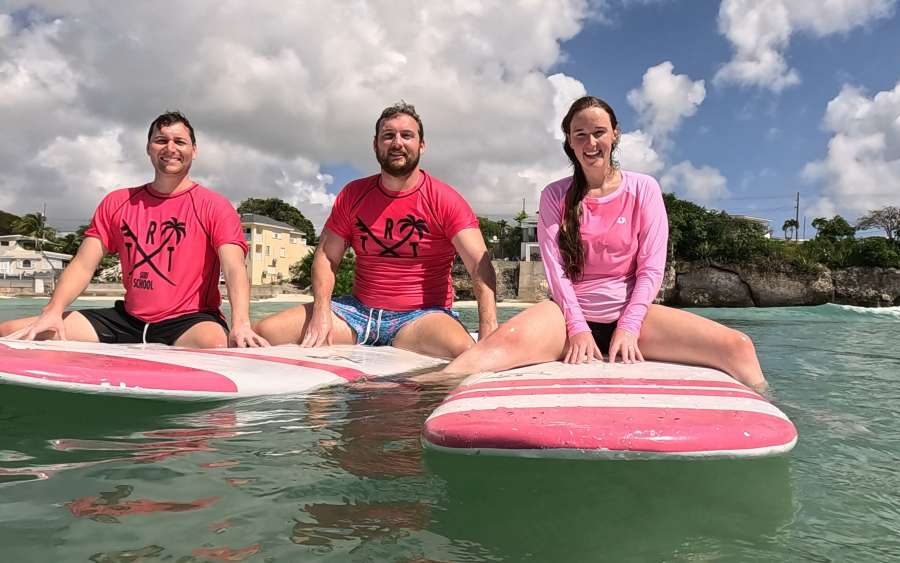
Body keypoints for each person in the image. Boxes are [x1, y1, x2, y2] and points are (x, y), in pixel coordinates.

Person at [435, 96, 768, 391]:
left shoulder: (644, 189)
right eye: (580, 135)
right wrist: (578, 328)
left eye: (599, 132)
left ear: (615, 134)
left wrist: (629, 325)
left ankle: (768, 407)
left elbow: (651, 268)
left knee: (738, 346)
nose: (590, 142)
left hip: (634, 318)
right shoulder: (555, 195)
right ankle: (414, 401)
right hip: (565, 319)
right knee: (487, 352)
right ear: (569, 141)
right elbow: (556, 272)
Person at [0, 112, 267, 348]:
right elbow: (83, 264)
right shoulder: (118, 202)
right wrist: (54, 310)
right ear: (149, 148)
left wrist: (241, 323)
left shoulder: (214, 206)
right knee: (11, 332)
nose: (170, 148)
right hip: (126, 320)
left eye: (180, 141)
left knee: (217, 344)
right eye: (161, 140)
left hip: (190, 321)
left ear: (194, 150)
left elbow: (234, 268)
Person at [254, 101, 498, 358]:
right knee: (263, 333)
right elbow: (327, 256)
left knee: (464, 353)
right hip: (357, 314)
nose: (397, 143)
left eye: (407, 136)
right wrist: (322, 312)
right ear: (375, 144)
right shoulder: (353, 194)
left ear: (422, 145)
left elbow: (478, 265)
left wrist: (489, 329)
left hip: (421, 319)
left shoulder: (445, 199)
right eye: (388, 136)